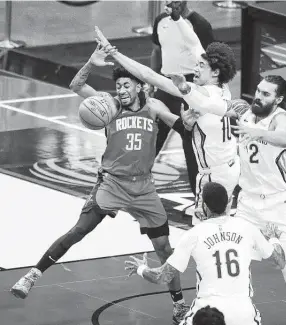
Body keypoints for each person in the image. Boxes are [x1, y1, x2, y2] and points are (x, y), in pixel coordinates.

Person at [10, 45, 188, 324]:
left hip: (143, 187)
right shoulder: (109, 106)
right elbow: (76, 84)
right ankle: (32, 275)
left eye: (126, 85)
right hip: (112, 184)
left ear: (141, 86)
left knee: (164, 247)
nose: (121, 90)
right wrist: (91, 63)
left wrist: (190, 114)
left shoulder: (154, 107)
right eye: (118, 85)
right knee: (79, 230)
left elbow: (182, 126)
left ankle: (179, 304)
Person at [177, 75, 286, 325]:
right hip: (248, 202)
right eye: (258, 91)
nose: (259, 97)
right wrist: (185, 92)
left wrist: (254, 131)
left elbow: (283, 137)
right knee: (227, 253)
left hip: (279, 204)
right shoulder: (244, 110)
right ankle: (225, 316)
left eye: (266, 94)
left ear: (279, 99)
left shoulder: (281, 118)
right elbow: (210, 106)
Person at [94, 27, 242, 225]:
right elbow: (194, 45)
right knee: (222, 224)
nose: (194, 68)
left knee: (203, 232)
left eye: (200, 66)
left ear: (215, 72)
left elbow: (149, 76)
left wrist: (114, 53)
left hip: (213, 175)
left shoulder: (201, 94)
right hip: (231, 168)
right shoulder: (222, 87)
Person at [125, 182, 286, 325]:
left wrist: (141, 269)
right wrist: (274, 240)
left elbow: (162, 276)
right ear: (229, 202)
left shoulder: (194, 234)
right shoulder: (247, 227)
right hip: (244, 313)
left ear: (205, 206)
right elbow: (280, 262)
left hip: (207, 312)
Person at [152, 1, 214, 196]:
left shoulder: (200, 25)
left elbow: (210, 62)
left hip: (189, 89)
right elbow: (157, 50)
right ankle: (133, 183)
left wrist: (204, 92)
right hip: (164, 85)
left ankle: (200, 197)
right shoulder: (160, 20)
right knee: (152, 135)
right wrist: (152, 80)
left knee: (191, 144)